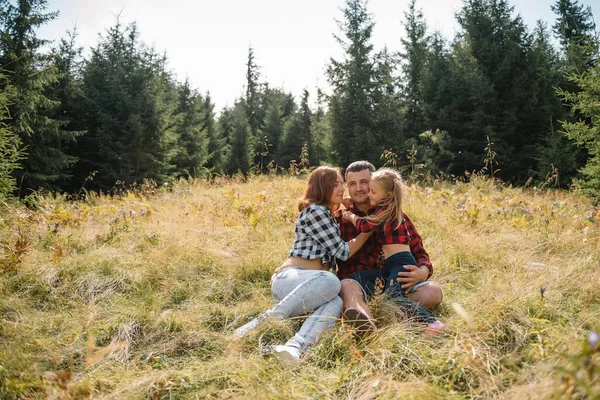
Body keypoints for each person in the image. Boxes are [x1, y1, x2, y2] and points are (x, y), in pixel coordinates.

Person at [233, 166, 372, 365]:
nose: (342, 188)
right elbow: (342, 252)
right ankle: (264, 320)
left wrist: (344, 207)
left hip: (313, 285)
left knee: (337, 302)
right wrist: (368, 230)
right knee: (332, 281)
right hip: (295, 278)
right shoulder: (315, 211)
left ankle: (295, 348)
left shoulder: (327, 213)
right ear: (322, 188)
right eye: (335, 185)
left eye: (341, 183)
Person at [336, 161, 444, 335]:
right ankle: (368, 324)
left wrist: (423, 271)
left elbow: (419, 251)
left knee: (432, 292)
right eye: (352, 184)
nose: (359, 189)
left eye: (364, 182)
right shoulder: (340, 219)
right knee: (347, 286)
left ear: (374, 183)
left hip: (395, 280)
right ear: (347, 187)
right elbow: (328, 254)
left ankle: (386, 309)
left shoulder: (395, 214)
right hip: (360, 285)